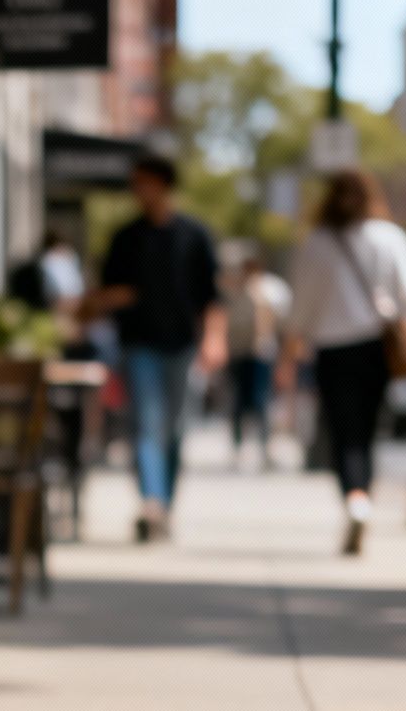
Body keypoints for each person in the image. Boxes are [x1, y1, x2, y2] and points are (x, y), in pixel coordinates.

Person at [277, 169, 406, 556]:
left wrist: (288, 355)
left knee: (344, 433)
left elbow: (300, 311)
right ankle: (364, 498)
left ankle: (355, 498)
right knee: (366, 431)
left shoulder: (316, 243)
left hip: (332, 350)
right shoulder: (388, 237)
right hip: (375, 347)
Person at [94, 154, 225, 541]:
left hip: (182, 345)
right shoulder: (126, 237)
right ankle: (152, 501)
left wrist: (215, 339)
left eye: (145, 182)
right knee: (147, 425)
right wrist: (112, 298)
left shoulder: (194, 235)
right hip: (138, 345)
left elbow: (210, 297)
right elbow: (105, 294)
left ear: (164, 184)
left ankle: (164, 501)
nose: (139, 190)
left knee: (176, 428)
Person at [221, 251, 292, 466]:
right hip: (238, 351)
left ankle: (265, 446)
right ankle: (238, 445)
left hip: (262, 351)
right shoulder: (233, 289)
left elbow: (282, 320)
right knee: (237, 400)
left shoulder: (272, 288)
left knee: (262, 400)